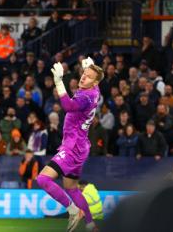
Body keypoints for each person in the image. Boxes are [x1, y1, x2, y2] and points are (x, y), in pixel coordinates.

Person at [36, 58, 102, 232]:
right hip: (80, 146)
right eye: (83, 74)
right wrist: (89, 67)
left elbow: (67, 105)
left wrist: (59, 81)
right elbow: (93, 79)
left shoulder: (86, 96)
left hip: (72, 147)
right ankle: (90, 224)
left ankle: (73, 211)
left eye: (88, 77)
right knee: (71, 188)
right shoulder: (95, 90)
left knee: (42, 179)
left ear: (94, 82)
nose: (83, 78)